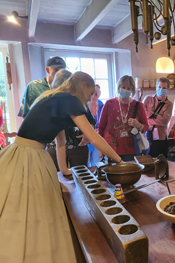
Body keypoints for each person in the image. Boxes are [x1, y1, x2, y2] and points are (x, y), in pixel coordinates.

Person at [0, 72, 123, 262]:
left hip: (22, 151)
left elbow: (60, 141)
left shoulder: (54, 97)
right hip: (30, 156)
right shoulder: (70, 99)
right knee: (34, 210)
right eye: (90, 93)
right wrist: (119, 161)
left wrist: (65, 170)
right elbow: (93, 136)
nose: (91, 98)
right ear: (83, 85)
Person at [46, 69, 94, 172]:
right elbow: (60, 139)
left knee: (79, 177)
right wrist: (119, 161)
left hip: (76, 146)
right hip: (53, 147)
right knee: (56, 178)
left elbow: (91, 122)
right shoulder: (55, 102)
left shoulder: (76, 101)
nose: (90, 99)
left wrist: (88, 133)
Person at [98, 75, 148, 161]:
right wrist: (100, 148)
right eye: (123, 87)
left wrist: (138, 125)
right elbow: (101, 127)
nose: (125, 90)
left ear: (132, 90)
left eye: (128, 88)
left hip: (132, 150)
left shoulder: (138, 105)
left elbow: (146, 126)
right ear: (119, 87)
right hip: (111, 149)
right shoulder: (109, 103)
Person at [143, 77, 173, 158]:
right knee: (147, 162)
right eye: (159, 87)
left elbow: (164, 121)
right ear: (156, 86)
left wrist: (150, 115)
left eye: (164, 88)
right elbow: (142, 116)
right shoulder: (148, 99)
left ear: (168, 89)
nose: (161, 89)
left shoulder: (169, 104)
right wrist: (158, 117)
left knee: (161, 164)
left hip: (161, 138)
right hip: (147, 136)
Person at [88, 84, 104, 166]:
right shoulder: (84, 105)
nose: (94, 96)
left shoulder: (101, 105)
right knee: (86, 164)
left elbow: (103, 124)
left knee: (97, 164)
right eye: (93, 93)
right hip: (86, 138)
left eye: (97, 94)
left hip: (97, 138)